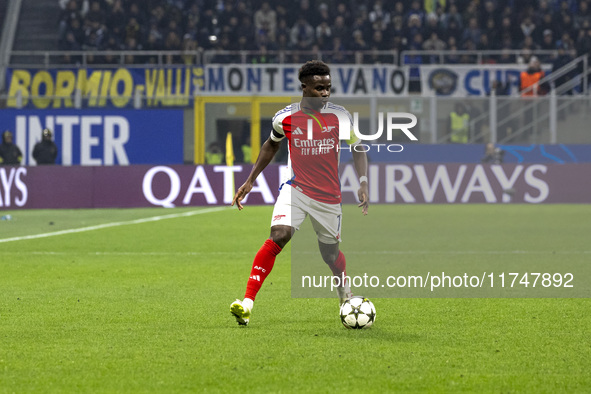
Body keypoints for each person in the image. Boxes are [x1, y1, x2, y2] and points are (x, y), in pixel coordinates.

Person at [229, 60, 368, 326]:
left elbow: (358, 147)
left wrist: (362, 182)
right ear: (304, 88)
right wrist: (250, 181)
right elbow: (271, 145)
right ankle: (247, 303)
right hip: (296, 189)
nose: (325, 93)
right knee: (279, 235)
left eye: (328, 88)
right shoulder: (285, 117)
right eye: (319, 88)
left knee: (329, 255)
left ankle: (344, 293)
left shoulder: (340, 116)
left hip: (328, 198)